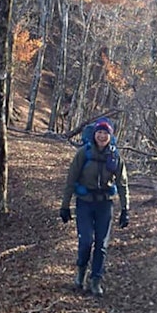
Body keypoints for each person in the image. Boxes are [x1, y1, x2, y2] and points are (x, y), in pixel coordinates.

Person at [60, 117, 130, 297]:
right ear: (94, 134)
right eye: (99, 132)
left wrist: (125, 209)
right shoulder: (84, 153)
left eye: (106, 133)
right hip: (84, 202)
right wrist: (65, 206)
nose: (102, 136)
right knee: (86, 242)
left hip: (104, 204)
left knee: (101, 244)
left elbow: (122, 183)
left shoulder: (114, 156)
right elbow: (71, 179)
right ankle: (81, 273)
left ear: (110, 136)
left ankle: (96, 280)